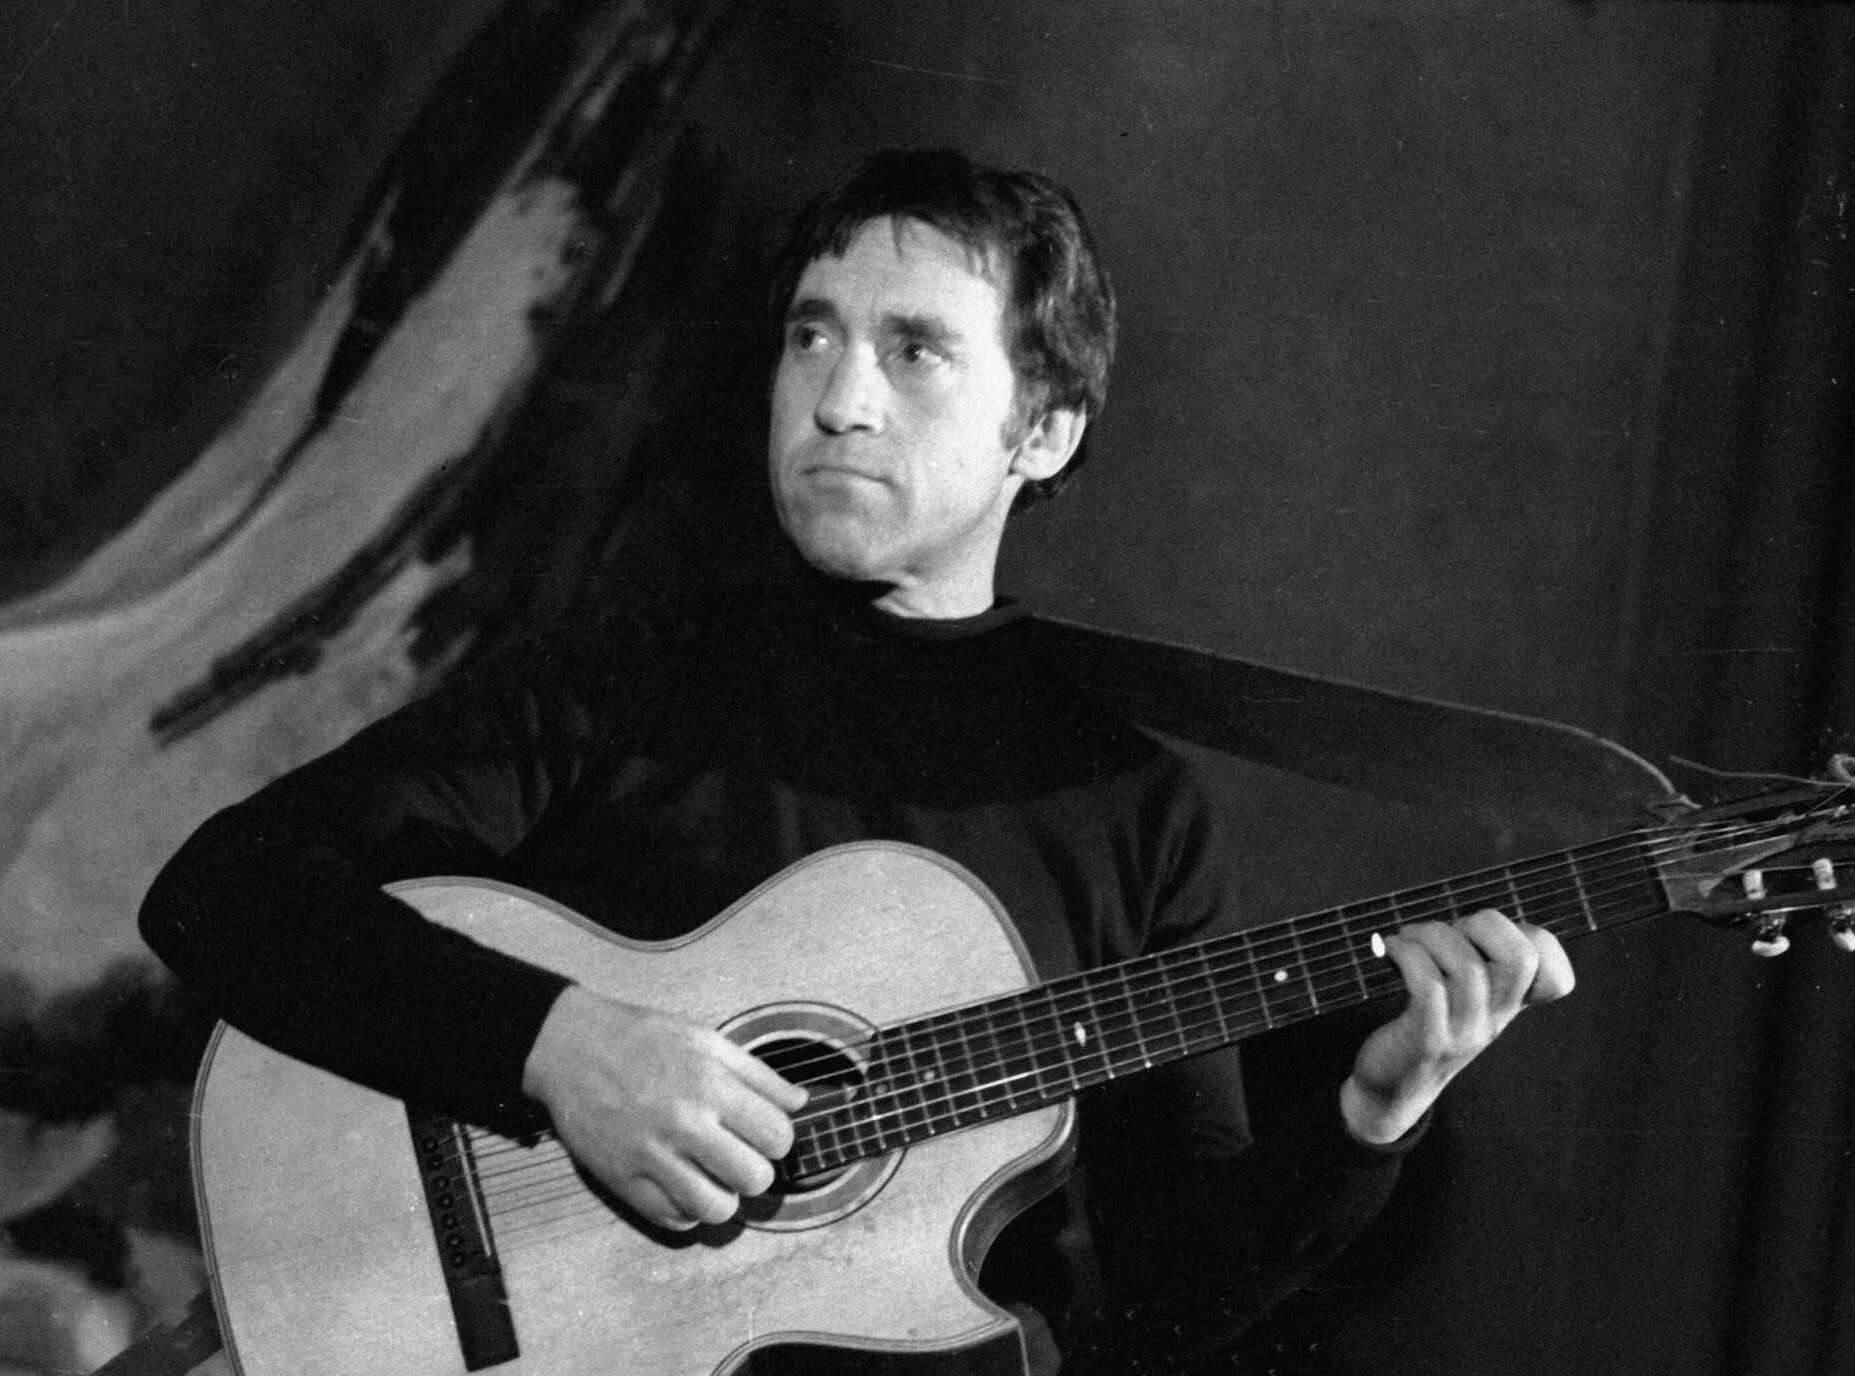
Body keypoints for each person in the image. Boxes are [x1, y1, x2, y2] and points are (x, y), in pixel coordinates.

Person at [140, 148, 1574, 1373]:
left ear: (1044, 430)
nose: (838, 399)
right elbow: (222, 890)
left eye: (914, 351)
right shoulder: (634, 678)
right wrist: (559, 1048)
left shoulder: (1124, 808)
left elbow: (1154, 1300)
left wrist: (1369, 1116)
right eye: (812, 336)